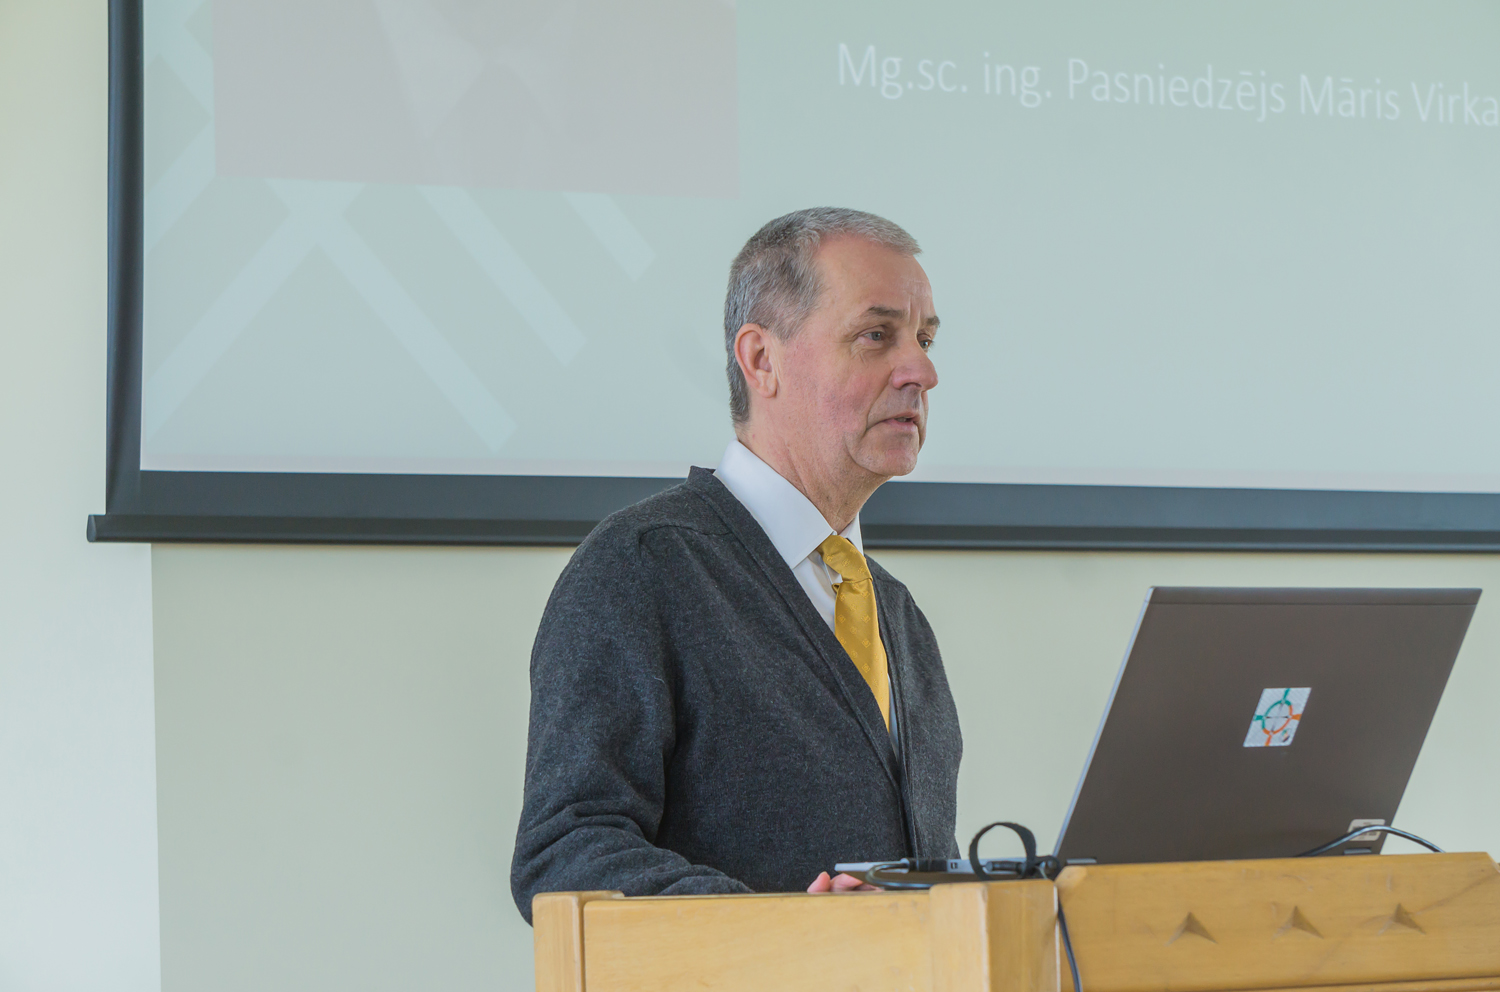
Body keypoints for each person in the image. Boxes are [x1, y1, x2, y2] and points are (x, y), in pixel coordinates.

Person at [510, 207, 962, 921]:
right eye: (876, 336)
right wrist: (781, 928)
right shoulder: (642, 569)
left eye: (925, 339)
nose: (922, 371)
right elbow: (564, 854)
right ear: (761, 361)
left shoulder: (898, 616)